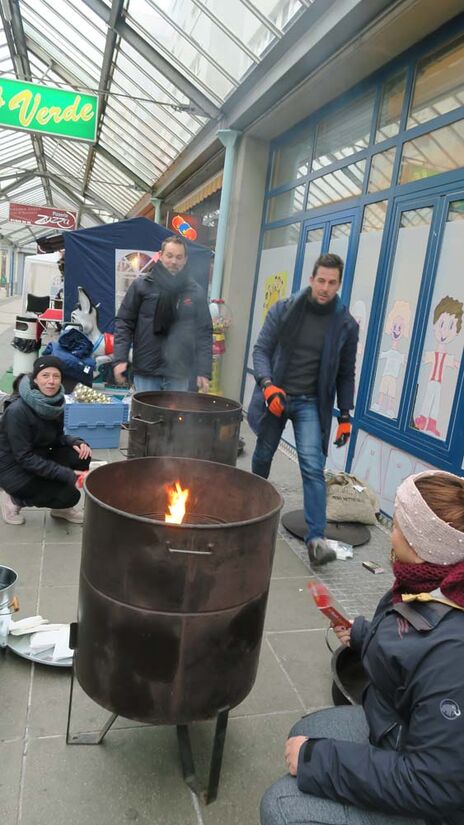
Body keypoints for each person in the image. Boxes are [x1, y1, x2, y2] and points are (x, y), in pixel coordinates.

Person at [260, 470, 464, 825]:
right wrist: (362, 634)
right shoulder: (428, 583)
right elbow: (413, 639)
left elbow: (436, 785)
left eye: (398, 526)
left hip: (431, 796)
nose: (390, 535)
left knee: (280, 805)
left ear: (423, 545)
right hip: (398, 727)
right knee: (302, 732)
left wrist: (317, 760)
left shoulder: (454, 655)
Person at [248, 253, 358, 566]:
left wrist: (345, 415)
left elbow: (345, 373)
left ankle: (316, 540)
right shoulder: (284, 309)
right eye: (320, 280)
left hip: (312, 402)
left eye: (332, 282)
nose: (325, 287)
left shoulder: (346, 325)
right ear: (311, 279)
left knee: (312, 466)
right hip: (278, 394)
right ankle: (254, 510)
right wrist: (267, 385)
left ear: (339, 284)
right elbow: (261, 350)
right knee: (263, 454)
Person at [113, 235, 212, 393]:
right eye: (170, 256)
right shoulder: (142, 285)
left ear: (185, 260)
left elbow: (204, 332)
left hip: (179, 373)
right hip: (146, 370)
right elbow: (124, 323)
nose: (174, 261)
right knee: (145, 417)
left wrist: (204, 371)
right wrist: (120, 358)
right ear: (160, 255)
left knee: (175, 417)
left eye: (179, 257)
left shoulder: (195, 292)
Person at [0, 356, 91, 525]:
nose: (51, 381)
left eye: (56, 376)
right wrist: (67, 475)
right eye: (45, 375)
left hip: (38, 457)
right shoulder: (17, 411)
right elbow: (24, 458)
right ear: (35, 379)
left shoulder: (55, 403)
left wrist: (75, 442)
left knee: (81, 455)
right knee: (70, 495)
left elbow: (56, 438)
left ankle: (61, 510)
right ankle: (14, 499)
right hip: (14, 469)